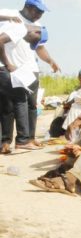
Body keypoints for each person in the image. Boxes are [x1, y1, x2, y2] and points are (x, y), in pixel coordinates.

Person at [0, 0, 60, 152]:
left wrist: (50, 60)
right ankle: (6, 141)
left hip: (30, 69)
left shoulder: (37, 26)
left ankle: (30, 138)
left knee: (31, 106)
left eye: (42, 12)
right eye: (37, 11)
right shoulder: (12, 16)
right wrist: (7, 18)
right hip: (12, 68)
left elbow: (40, 47)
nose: (40, 15)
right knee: (8, 107)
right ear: (27, 7)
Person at [0, 21, 47, 153]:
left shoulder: (9, 25)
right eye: (31, 41)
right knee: (21, 100)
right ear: (34, 32)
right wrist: (8, 64)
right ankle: (22, 140)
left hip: (3, 71)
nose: (28, 43)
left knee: (6, 107)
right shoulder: (20, 28)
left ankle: (4, 143)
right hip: (4, 69)